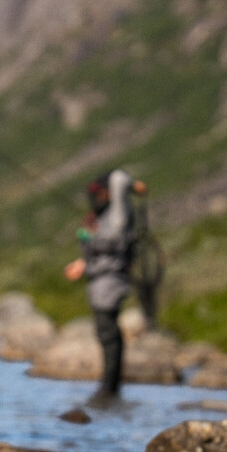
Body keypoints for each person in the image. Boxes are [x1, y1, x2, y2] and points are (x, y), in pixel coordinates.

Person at [64, 169, 146, 402]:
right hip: (102, 281)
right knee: (106, 333)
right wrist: (84, 260)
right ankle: (110, 385)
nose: (96, 196)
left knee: (109, 334)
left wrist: (132, 185)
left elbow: (112, 241)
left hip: (111, 282)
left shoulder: (119, 211)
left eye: (99, 191)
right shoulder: (104, 216)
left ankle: (110, 387)